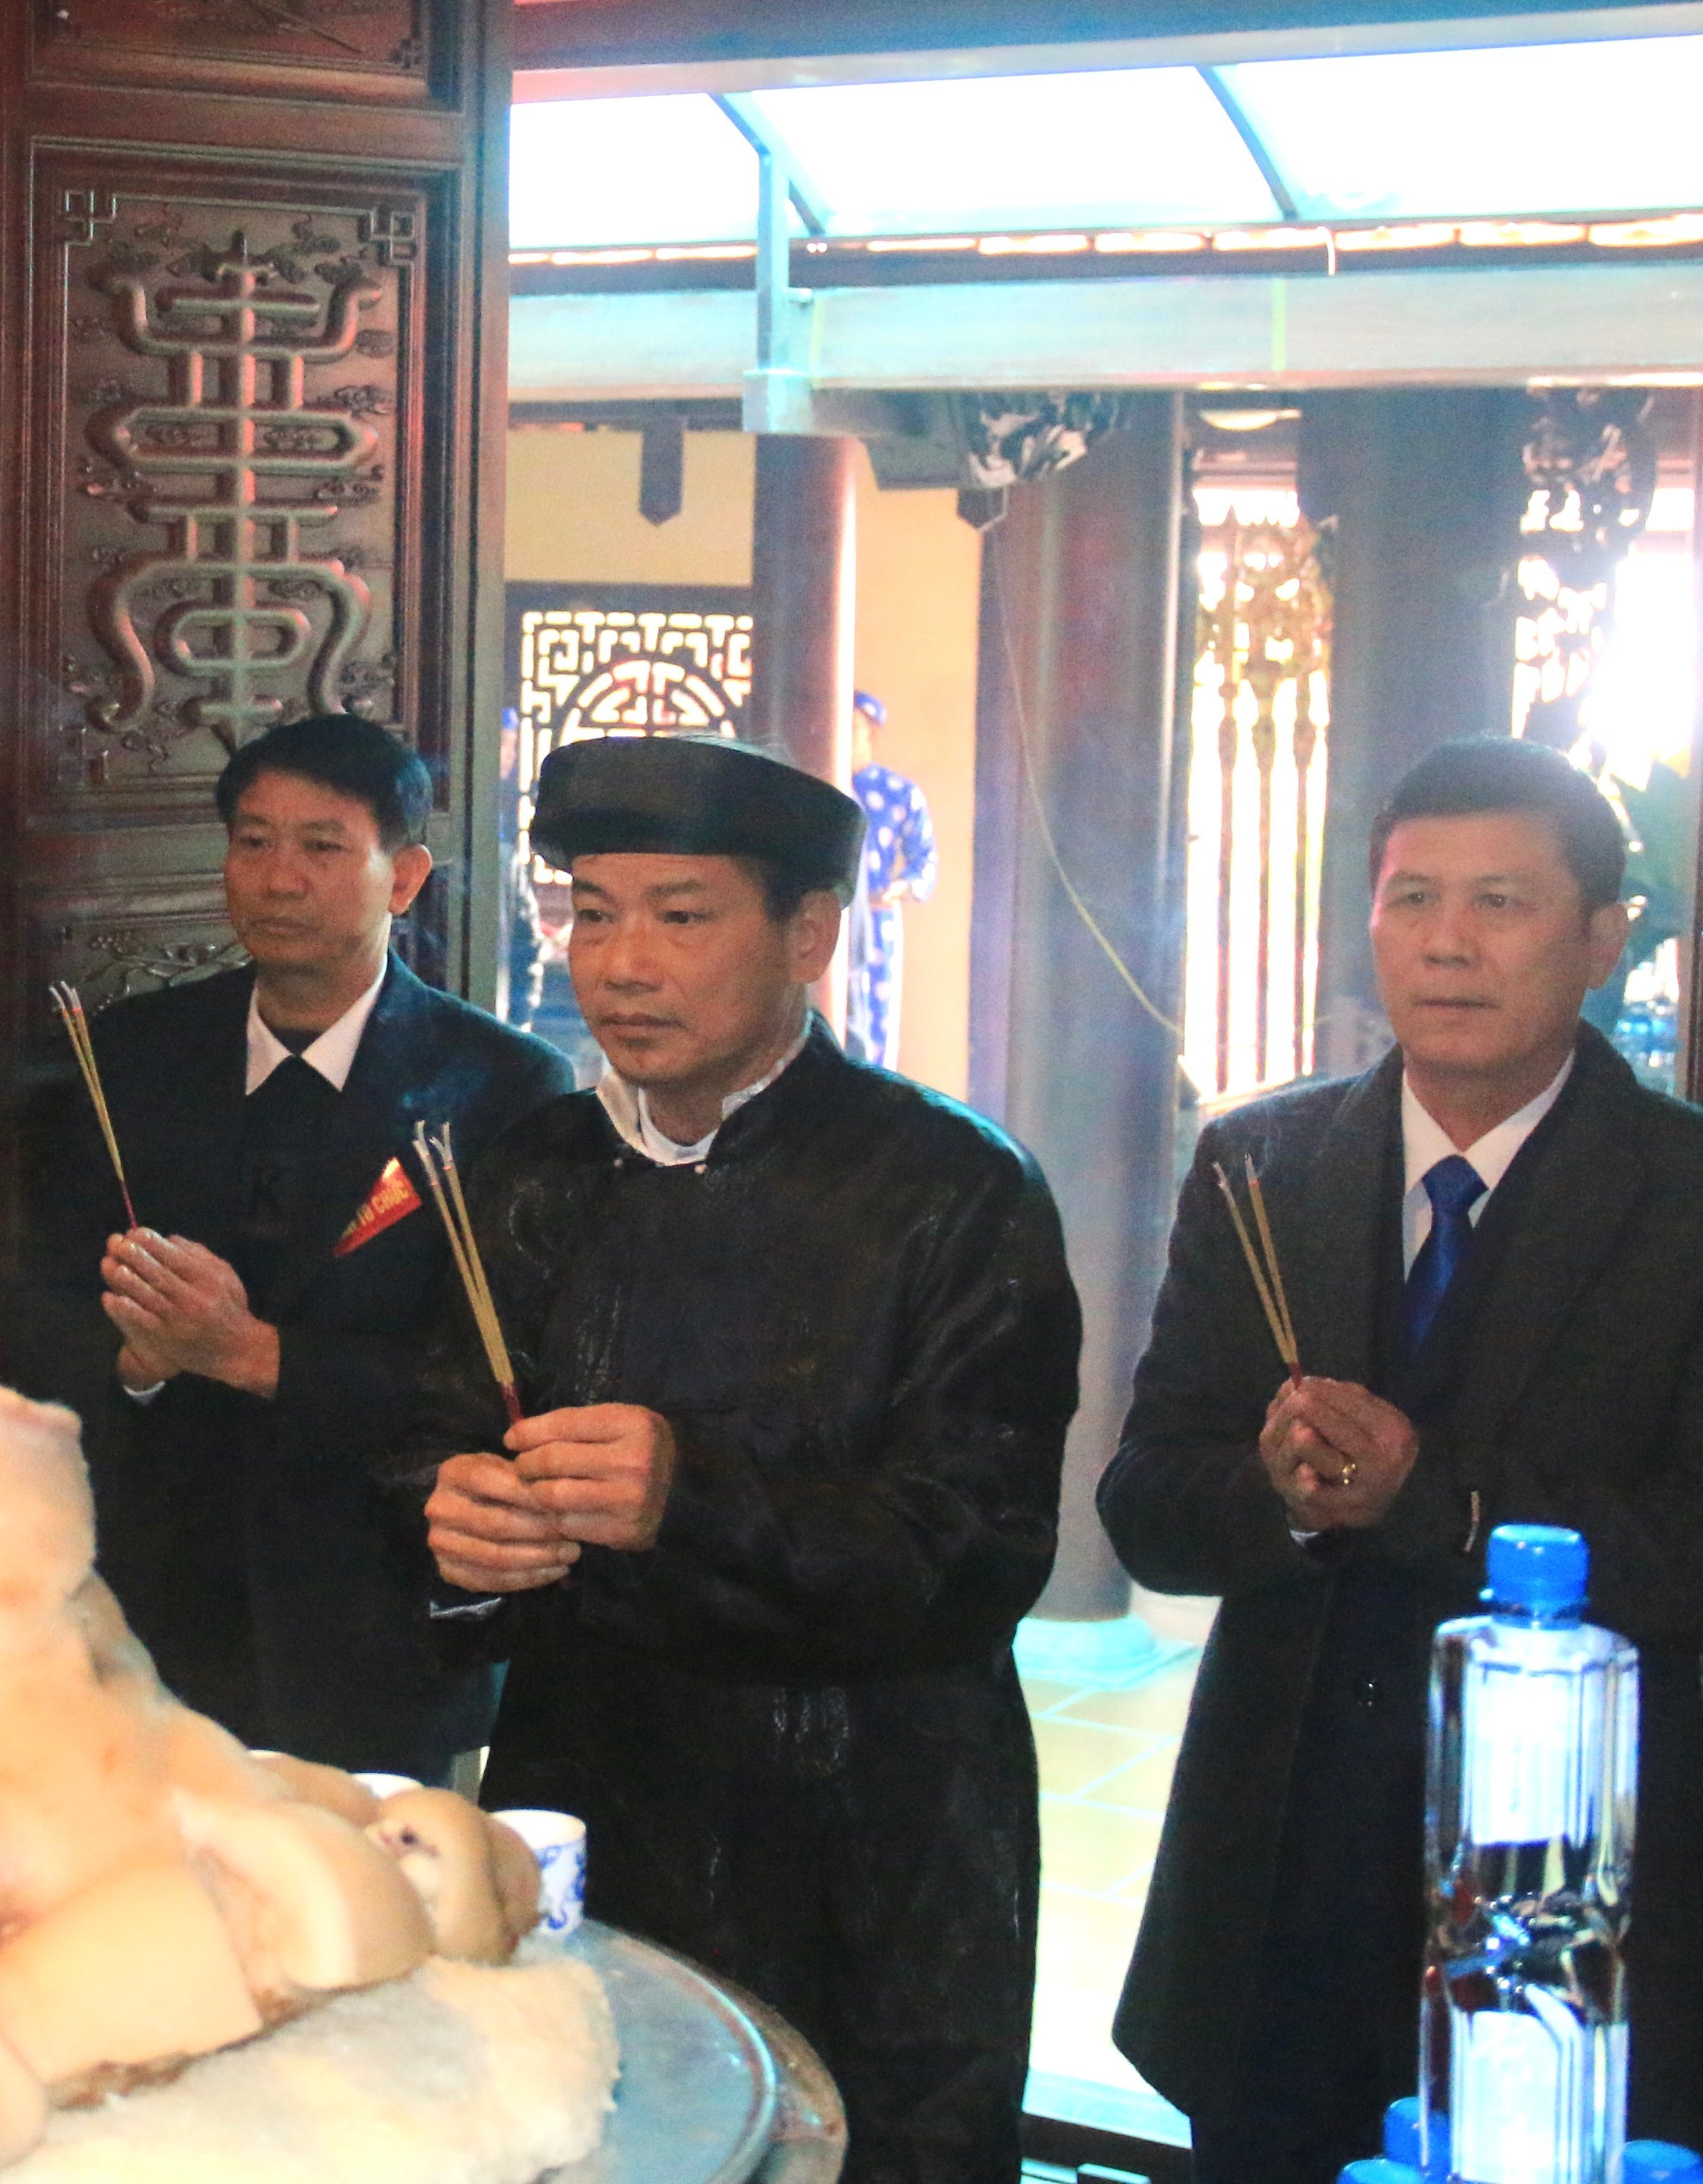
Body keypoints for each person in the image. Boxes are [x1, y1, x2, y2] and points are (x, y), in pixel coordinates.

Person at [1104, 735, 1703, 2181]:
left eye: (1499, 902)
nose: (1445, 942)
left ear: (1604, 935)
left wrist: (1436, 1497)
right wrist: (1281, 1495)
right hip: (1281, 1870)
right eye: (1410, 899)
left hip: (1561, 1875)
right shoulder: (1263, 1161)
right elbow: (1148, 1510)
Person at [394, 733, 1082, 2184]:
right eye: (592, 910)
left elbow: (975, 1551)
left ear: (810, 935)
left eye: (682, 914)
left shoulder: (954, 1188)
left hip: (876, 1833)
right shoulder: (532, 1167)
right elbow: (431, 1447)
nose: (622, 961)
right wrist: (455, 1533)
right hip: (598, 1791)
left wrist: (688, 1497)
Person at [8, 712, 571, 1781]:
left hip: (374, 1623)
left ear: (400, 878)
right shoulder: (127, 1059)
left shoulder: (501, 1089)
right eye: (252, 842)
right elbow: (30, 1309)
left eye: (320, 847)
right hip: (151, 1610)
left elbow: (505, 1385)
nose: (275, 880)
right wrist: (133, 1360)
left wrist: (253, 1354)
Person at [841, 689, 937, 1072]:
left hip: (878, 918)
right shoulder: (822, 787)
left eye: (853, 729)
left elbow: (925, 859)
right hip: (834, 913)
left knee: (876, 1016)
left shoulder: (899, 793)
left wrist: (901, 888)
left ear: (870, 735)